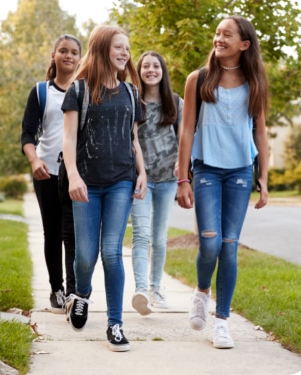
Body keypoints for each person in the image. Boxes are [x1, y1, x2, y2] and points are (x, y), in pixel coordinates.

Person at [176, 15, 269, 349]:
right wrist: (182, 177)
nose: (219, 38)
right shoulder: (198, 79)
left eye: (226, 34)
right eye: (217, 33)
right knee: (211, 243)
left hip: (241, 172)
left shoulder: (255, 81)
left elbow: (260, 131)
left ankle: (222, 322)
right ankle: (202, 291)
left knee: (230, 247)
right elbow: (186, 130)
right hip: (206, 170)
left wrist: (264, 177)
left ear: (244, 44)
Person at [61, 25, 147, 352]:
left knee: (111, 251)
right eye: (118, 48)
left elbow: (134, 139)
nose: (125, 54)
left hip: (121, 181)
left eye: (127, 48)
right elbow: (69, 139)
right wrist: (73, 176)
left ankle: (115, 324)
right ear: (101, 50)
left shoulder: (131, 93)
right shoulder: (79, 90)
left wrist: (142, 173)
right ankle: (81, 293)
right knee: (86, 255)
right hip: (86, 182)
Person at [21, 34, 82, 313]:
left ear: (81, 58)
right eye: (63, 51)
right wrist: (34, 161)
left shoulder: (85, 90)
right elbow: (27, 133)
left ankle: (73, 291)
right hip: (46, 171)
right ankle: (56, 289)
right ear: (54, 55)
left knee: (73, 233)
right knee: (53, 232)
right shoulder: (40, 91)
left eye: (74, 52)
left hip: (75, 173)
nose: (69, 56)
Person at [130, 51, 183, 315]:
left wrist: (182, 166)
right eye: (146, 66)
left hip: (167, 180)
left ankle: (156, 288)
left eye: (156, 66)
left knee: (159, 237)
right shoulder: (133, 102)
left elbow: (185, 139)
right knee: (141, 234)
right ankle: (141, 290)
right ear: (139, 71)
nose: (151, 70)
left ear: (163, 71)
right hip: (141, 180)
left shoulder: (175, 103)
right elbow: (131, 140)